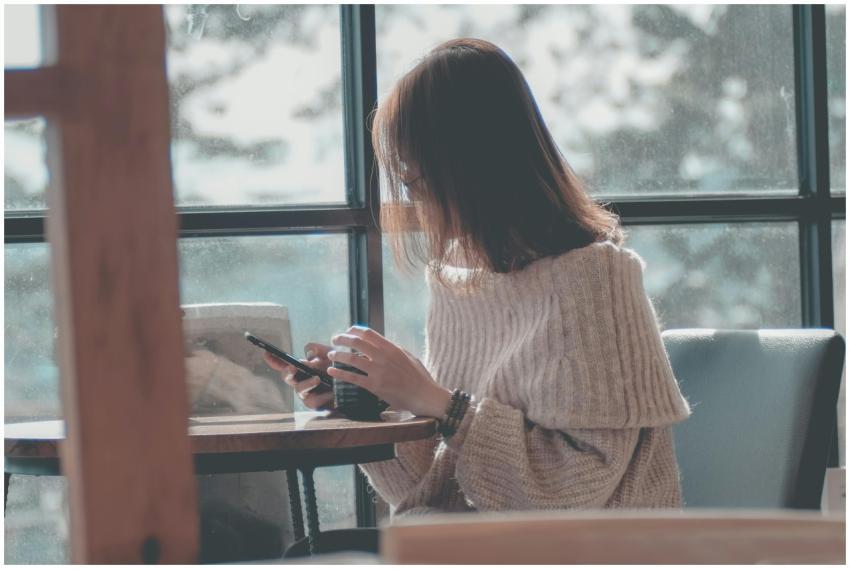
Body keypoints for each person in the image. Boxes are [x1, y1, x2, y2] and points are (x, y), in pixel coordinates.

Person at [265, 38, 690, 518]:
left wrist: (440, 404)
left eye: (414, 178)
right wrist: (365, 402)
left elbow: (573, 489)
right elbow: (436, 486)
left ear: (466, 167)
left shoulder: (594, 280)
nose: (413, 199)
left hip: (588, 547)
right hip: (470, 541)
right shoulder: (455, 284)